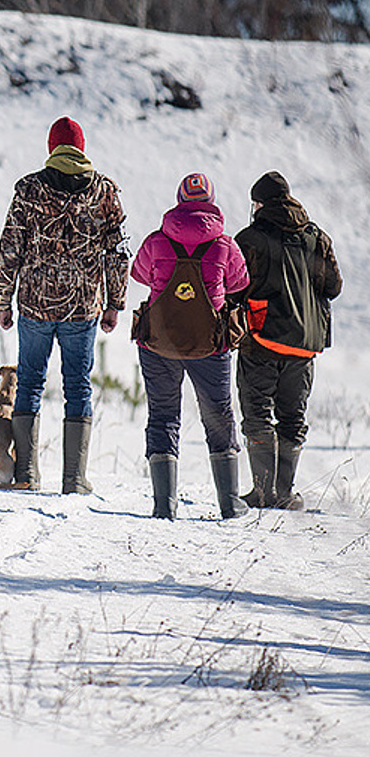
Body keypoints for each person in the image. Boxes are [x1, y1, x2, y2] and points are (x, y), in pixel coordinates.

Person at [0, 117, 128, 493]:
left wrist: (3, 300)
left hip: (34, 304)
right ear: (81, 148)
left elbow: (9, 248)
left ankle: (26, 476)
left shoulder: (29, 188)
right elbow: (117, 254)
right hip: (83, 308)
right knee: (78, 386)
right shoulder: (104, 191)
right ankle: (74, 479)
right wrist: (115, 303)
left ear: (52, 147)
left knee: (30, 384)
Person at [130, 173, 249, 520]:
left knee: (164, 415)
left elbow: (139, 274)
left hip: (158, 344)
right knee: (218, 414)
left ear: (179, 201)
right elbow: (241, 280)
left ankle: (163, 504)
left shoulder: (156, 240)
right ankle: (229, 503)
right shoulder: (225, 244)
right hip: (210, 345)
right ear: (210, 202)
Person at [235, 171, 341, 511]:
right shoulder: (317, 237)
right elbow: (334, 287)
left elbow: (235, 286)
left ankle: (262, 491)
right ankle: (284, 493)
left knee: (257, 414)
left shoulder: (249, 238)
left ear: (260, 203)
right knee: (292, 417)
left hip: (262, 340)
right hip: (304, 343)